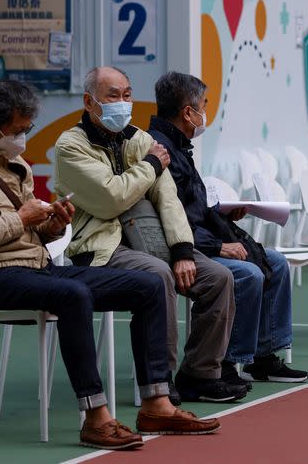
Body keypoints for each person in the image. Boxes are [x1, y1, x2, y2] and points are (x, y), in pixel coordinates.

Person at [0, 80, 219, 451]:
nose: (23, 137)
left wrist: (51, 225)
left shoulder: (12, 161)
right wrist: (22, 220)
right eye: (17, 130)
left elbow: (32, 230)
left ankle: (156, 401)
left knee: (149, 284)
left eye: (27, 129)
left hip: (36, 267)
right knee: (73, 293)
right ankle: (96, 416)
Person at [54, 66, 246, 404]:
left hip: (153, 239)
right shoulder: (71, 146)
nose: (123, 103)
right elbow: (110, 197)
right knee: (158, 276)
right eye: (112, 95)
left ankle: (200, 374)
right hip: (101, 248)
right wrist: (151, 166)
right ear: (89, 101)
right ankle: (160, 377)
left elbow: (168, 198)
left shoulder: (139, 139)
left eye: (127, 94)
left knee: (218, 277)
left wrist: (184, 252)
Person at [148, 71, 308, 384]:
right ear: (187, 112)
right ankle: (226, 360)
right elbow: (170, 217)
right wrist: (218, 246)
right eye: (203, 106)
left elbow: (192, 207)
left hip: (198, 239)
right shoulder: (162, 151)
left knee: (274, 262)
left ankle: (263, 356)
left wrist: (223, 216)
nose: (205, 113)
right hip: (181, 247)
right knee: (248, 273)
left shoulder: (179, 146)